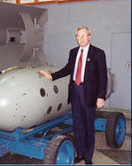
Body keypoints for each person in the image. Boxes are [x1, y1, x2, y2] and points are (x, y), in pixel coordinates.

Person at [40, 26, 107, 164]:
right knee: (78, 126)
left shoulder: (98, 53)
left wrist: (101, 97)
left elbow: (102, 76)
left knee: (89, 126)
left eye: (83, 36)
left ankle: (88, 157)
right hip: (75, 92)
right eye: (78, 36)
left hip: (89, 94)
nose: (80, 39)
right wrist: (52, 76)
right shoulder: (73, 52)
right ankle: (80, 153)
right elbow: (68, 69)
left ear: (89, 36)